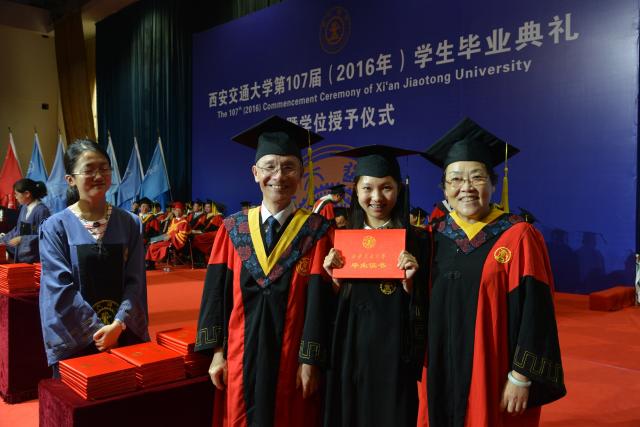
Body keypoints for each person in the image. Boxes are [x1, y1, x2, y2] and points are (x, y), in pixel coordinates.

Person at [419, 118, 566, 427]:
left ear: (493, 184)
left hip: (493, 373)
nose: (466, 188)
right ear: (444, 188)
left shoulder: (518, 235)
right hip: (439, 370)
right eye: (455, 179)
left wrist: (521, 375)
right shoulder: (433, 236)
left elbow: (537, 311)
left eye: (477, 177)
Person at [195, 115, 333, 427]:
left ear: (301, 174)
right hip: (239, 354)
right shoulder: (233, 229)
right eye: (270, 166)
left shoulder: (316, 231)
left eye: (289, 167)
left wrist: (310, 359)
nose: (279, 176)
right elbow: (215, 295)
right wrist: (217, 353)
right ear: (255, 172)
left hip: (291, 358)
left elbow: (320, 302)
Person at [322, 145, 430, 427]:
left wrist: (410, 285)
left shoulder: (419, 241)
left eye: (387, 188)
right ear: (356, 191)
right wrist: (334, 281)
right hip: (349, 350)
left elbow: (429, 308)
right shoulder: (340, 240)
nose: (377, 198)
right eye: (367, 188)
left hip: (394, 354)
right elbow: (327, 310)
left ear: (399, 190)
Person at [38, 139, 149, 377]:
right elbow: (59, 287)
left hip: (122, 332)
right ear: (70, 179)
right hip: (76, 337)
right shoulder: (55, 227)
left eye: (104, 168)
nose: (98, 175)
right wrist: (98, 330)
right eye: (89, 170)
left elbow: (136, 281)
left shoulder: (130, 223)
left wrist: (118, 325)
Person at [0, 178, 50, 263]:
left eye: (16, 194)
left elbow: (45, 236)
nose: (15, 197)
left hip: (36, 259)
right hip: (21, 256)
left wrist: (22, 239)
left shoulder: (42, 211)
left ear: (27, 194)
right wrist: (2, 240)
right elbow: (17, 230)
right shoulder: (23, 208)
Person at [145, 201, 191, 270]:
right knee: (151, 241)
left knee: (153, 246)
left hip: (174, 242)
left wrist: (170, 236)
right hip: (167, 238)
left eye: (178, 210)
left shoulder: (184, 222)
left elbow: (182, 236)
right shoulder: (173, 220)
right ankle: (149, 263)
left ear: (182, 211)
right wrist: (166, 235)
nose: (176, 212)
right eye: (175, 210)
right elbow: (169, 230)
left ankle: (150, 264)